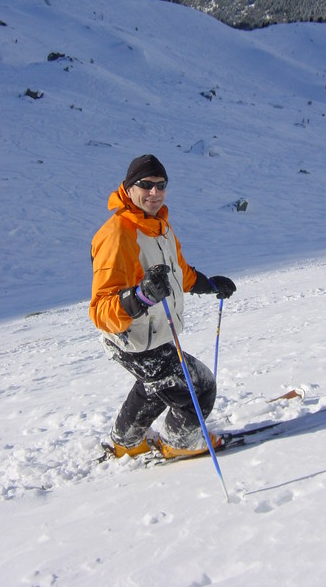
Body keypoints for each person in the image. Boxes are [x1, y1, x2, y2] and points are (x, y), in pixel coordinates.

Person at [90, 154, 236, 459]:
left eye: (161, 185)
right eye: (146, 185)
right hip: (131, 338)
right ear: (129, 188)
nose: (154, 192)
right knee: (200, 388)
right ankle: (177, 443)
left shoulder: (160, 227)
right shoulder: (118, 234)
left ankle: (125, 443)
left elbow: (178, 272)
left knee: (156, 385)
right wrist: (141, 297)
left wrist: (208, 285)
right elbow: (101, 311)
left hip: (153, 334)